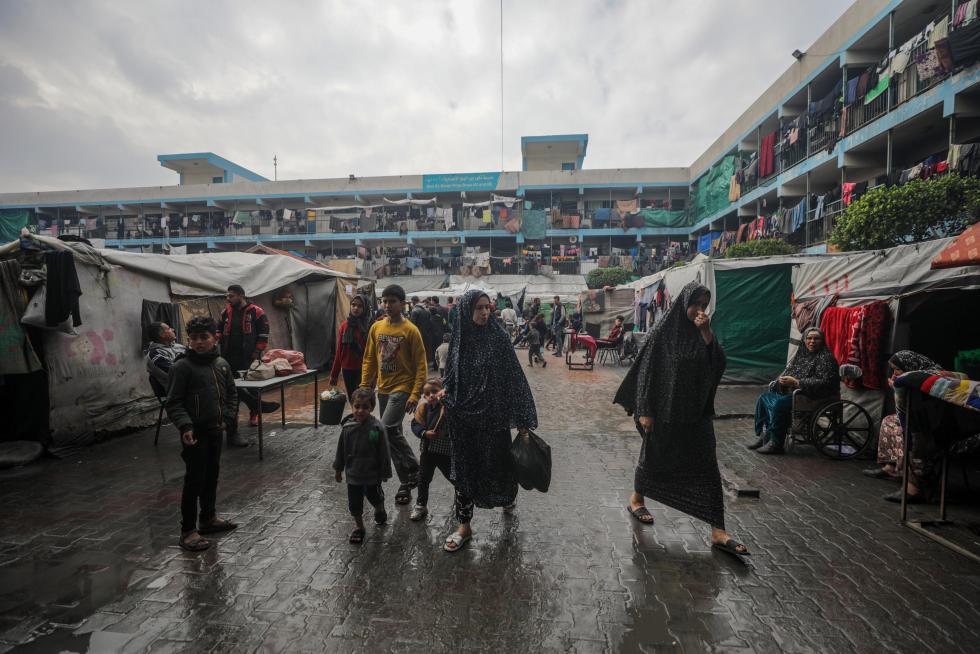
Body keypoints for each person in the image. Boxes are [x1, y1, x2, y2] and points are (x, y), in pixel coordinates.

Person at [613, 281, 750, 558]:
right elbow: (647, 372)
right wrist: (645, 410)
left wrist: (706, 332)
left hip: (696, 413)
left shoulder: (702, 334)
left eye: (704, 305)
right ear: (683, 304)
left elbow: (718, 364)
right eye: (695, 304)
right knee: (653, 457)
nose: (699, 310)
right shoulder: (664, 332)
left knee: (707, 466)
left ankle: (717, 530)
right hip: (663, 411)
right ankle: (637, 498)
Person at [442, 290, 538, 552]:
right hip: (463, 420)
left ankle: (507, 497)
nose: (485, 313)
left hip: (494, 419)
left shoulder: (499, 339)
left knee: (500, 467)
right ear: (466, 311)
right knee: (463, 471)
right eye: (479, 308)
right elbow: (450, 376)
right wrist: (444, 392)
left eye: (487, 307)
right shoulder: (459, 341)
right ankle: (464, 526)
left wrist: (523, 416)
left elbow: (515, 378)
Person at [165, 316, 239, 552]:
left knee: (211, 476)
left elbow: (231, 394)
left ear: (214, 337)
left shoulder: (222, 364)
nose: (198, 342)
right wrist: (185, 426)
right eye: (194, 338)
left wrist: (227, 419)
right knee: (194, 480)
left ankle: (207, 519)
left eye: (204, 337)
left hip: (216, 430)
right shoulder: (182, 367)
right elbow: (174, 402)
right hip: (194, 434)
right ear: (189, 340)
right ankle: (188, 531)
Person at [360, 284, 427, 506]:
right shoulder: (376, 328)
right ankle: (407, 482)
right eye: (384, 301)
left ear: (402, 303)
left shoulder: (411, 330)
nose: (387, 305)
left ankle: (414, 465)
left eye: (392, 301)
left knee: (386, 428)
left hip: (403, 387)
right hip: (383, 388)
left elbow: (421, 365)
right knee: (392, 435)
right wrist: (365, 387)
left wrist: (415, 394)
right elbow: (369, 358)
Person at [864, 351, 945, 503]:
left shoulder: (930, 377)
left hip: (932, 425)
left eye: (897, 369)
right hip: (920, 421)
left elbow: (921, 406)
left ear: (910, 366)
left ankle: (913, 486)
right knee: (889, 421)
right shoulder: (912, 378)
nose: (894, 374)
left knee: (906, 431)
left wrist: (897, 387)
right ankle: (891, 466)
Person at [748, 327, 840, 455]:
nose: (812, 341)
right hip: (797, 394)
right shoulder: (802, 355)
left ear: (822, 341)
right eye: (809, 338)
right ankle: (765, 436)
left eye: (816, 338)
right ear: (804, 340)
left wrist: (796, 382)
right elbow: (790, 372)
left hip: (815, 396)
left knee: (779, 405)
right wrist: (782, 381)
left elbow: (825, 382)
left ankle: (776, 443)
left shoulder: (826, 358)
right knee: (764, 398)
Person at [217, 284, 276, 440]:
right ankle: (238, 418)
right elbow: (218, 330)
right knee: (232, 388)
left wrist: (257, 351)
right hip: (228, 356)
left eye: (231, 296)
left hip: (249, 356)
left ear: (241, 295)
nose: (228, 298)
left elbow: (264, 333)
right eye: (227, 296)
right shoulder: (226, 312)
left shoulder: (256, 311)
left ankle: (254, 413)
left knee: (252, 385)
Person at [333, 388, 390, 544]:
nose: (360, 410)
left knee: (374, 496)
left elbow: (383, 451)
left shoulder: (376, 428)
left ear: (371, 407)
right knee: (354, 503)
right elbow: (341, 449)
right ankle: (359, 527)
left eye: (365, 407)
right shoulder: (347, 427)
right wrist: (338, 468)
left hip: (372, 473)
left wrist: (384, 472)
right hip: (353, 474)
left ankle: (379, 508)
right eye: (357, 406)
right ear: (352, 406)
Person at [409, 377, 452, 522]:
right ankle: (421, 505)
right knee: (423, 479)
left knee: (452, 476)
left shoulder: (447, 408)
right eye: (427, 393)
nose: (431, 396)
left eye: (435, 392)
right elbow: (415, 424)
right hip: (427, 451)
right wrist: (424, 433)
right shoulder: (423, 408)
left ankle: (461, 497)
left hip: (445, 451)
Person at [329, 294, 371, 403]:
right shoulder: (344, 326)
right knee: (352, 398)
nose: (356, 308)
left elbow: (373, 352)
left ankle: (362, 419)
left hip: (364, 369)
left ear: (365, 308)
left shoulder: (370, 326)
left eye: (360, 306)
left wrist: (375, 376)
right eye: (353, 305)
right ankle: (355, 418)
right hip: (347, 369)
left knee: (363, 399)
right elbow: (339, 352)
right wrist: (334, 374)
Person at [145, 322, 186, 389]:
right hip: (180, 392)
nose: (173, 330)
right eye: (169, 328)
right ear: (162, 334)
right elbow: (176, 373)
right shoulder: (154, 355)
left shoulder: (179, 346)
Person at [409, 295, 435, 368]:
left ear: (413, 302)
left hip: (418, 334)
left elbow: (412, 325)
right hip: (427, 334)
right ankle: (425, 364)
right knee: (425, 349)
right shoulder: (426, 310)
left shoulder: (415, 311)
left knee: (417, 350)